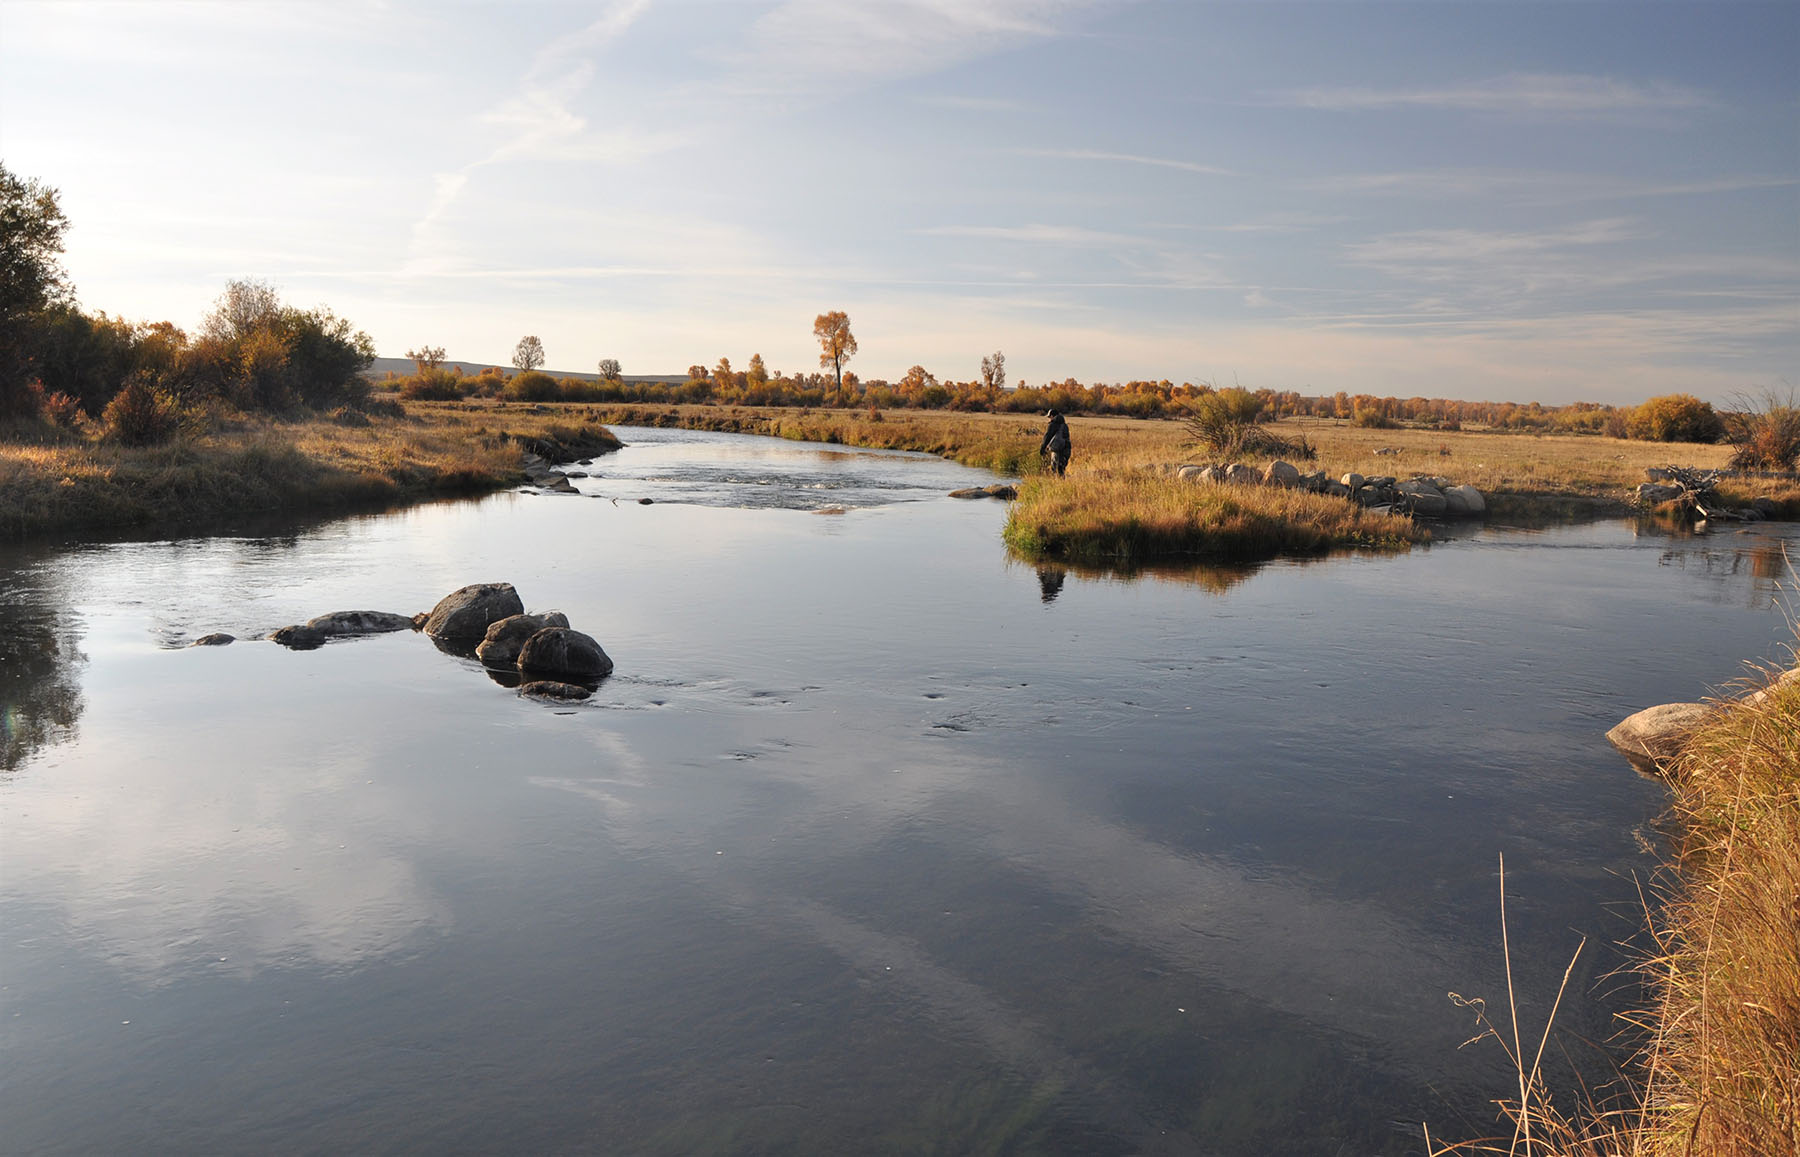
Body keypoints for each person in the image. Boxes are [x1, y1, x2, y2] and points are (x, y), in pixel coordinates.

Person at [1039, 408, 1071, 476]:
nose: (1049, 419)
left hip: (1058, 450)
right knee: (1061, 469)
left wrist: (1042, 447)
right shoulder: (1065, 425)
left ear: (1052, 416)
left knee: (1055, 469)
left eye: (1049, 417)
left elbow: (1047, 436)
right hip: (1067, 449)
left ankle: (1058, 484)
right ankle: (1062, 484)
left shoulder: (1053, 424)